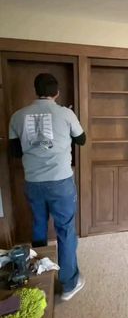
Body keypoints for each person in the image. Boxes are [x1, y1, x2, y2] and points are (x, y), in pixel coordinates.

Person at [9, 73, 86, 301]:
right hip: (60, 181)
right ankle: (69, 283)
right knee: (65, 230)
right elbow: (81, 140)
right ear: (57, 92)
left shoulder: (17, 116)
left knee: (39, 227)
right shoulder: (66, 113)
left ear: (36, 91)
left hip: (33, 182)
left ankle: (38, 279)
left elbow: (15, 152)